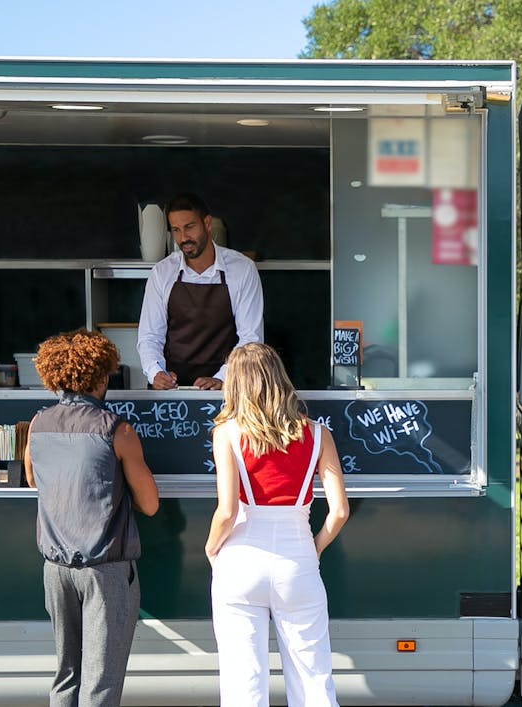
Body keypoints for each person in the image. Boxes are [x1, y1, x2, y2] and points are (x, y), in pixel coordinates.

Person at [205, 342, 350, 707]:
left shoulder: (226, 433)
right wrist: (313, 549)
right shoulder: (318, 434)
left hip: (239, 559)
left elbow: (226, 511)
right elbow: (339, 512)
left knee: (243, 685)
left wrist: (211, 547)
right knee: (313, 681)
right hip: (297, 559)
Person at [24, 329, 161, 707]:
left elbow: (35, 479)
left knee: (66, 674)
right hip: (106, 570)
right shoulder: (117, 430)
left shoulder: (37, 425)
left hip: (55, 568)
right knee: (100, 682)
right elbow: (150, 504)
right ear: (101, 377)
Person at [138, 192, 265, 391]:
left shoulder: (242, 269)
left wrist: (224, 377)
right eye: (176, 230)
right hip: (173, 390)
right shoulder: (162, 273)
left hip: (226, 389)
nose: (183, 238)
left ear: (207, 223)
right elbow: (149, 336)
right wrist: (156, 372)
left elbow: (251, 340)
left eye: (189, 227)